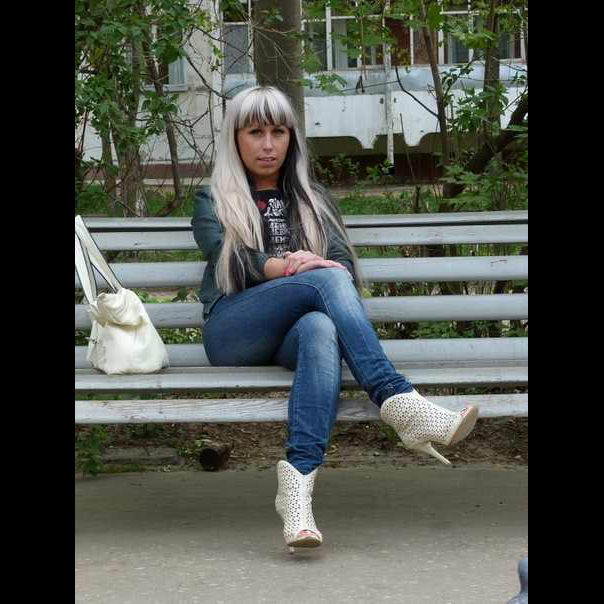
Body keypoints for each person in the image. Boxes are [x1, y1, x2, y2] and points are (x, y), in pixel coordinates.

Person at [192, 85, 478, 552]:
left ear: (292, 138)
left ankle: (298, 492)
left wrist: (319, 266)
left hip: (295, 333)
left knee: (321, 326)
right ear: (235, 139)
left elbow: (342, 263)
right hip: (234, 330)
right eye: (255, 132)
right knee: (325, 278)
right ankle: (398, 400)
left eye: (278, 132)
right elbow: (234, 261)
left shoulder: (314, 197)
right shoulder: (212, 197)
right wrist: (296, 266)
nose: (268, 144)